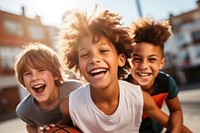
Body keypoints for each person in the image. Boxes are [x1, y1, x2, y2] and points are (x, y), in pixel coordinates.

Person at [57, 10, 186, 133]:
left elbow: (173, 122)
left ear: (121, 59)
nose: (94, 59)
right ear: (78, 65)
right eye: (85, 54)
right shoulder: (69, 106)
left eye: (103, 51)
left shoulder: (138, 97)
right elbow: (63, 128)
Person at [125, 17, 192, 133]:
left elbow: (176, 110)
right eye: (137, 59)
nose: (144, 66)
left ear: (161, 63)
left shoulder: (166, 82)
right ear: (128, 61)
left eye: (151, 59)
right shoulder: (121, 87)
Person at [14, 43, 82, 133]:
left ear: (55, 74)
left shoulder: (76, 89)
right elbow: (30, 125)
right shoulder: (25, 110)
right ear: (23, 81)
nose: (34, 78)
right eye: (28, 73)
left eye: (41, 70)